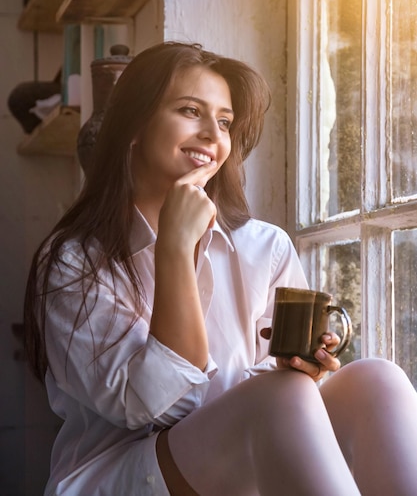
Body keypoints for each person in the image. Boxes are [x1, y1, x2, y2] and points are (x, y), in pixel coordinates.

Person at [24, 41, 417, 496]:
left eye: (225, 121)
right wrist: (174, 247)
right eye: (191, 110)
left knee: (377, 380)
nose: (213, 134)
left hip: (236, 457)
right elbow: (156, 407)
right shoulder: (75, 261)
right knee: (281, 397)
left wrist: (304, 367)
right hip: (120, 476)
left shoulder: (264, 246)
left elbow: (274, 395)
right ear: (134, 125)